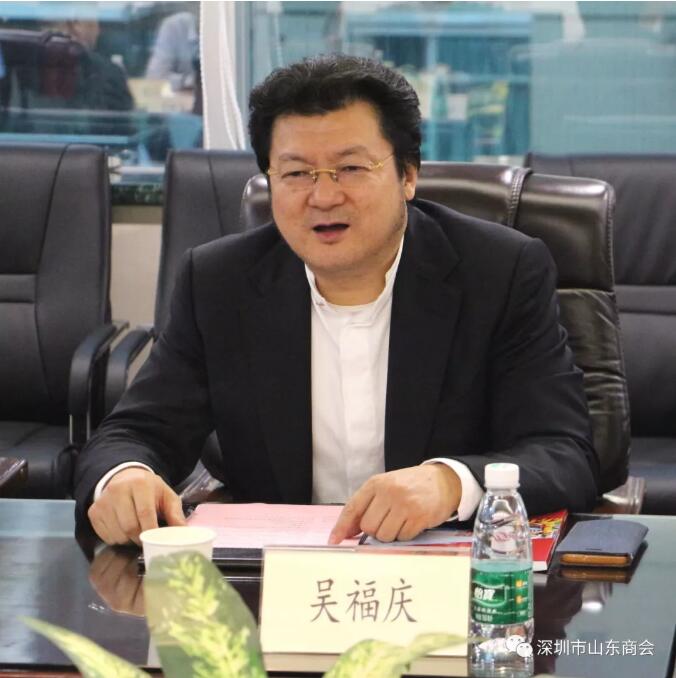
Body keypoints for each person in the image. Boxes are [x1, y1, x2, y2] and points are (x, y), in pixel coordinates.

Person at [74, 54, 599, 546]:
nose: (323, 197)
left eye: (351, 168)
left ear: (408, 175)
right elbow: (137, 431)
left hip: (446, 576)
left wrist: (451, 482)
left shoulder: (500, 272)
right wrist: (124, 477)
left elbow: (564, 451)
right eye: (295, 173)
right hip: (277, 580)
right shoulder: (219, 282)